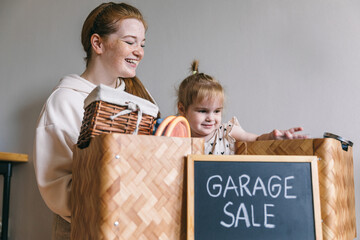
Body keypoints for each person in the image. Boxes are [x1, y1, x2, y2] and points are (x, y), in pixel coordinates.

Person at [33, 2, 155, 239]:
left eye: (142, 44)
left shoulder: (140, 98)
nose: (139, 51)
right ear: (98, 43)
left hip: (134, 226)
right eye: (130, 42)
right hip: (83, 227)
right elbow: (56, 187)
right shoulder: (65, 101)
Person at [177, 60, 308, 155]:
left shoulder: (226, 131)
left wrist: (272, 137)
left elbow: (255, 139)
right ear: (182, 109)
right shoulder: (178, 136)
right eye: (203, 111)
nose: (211, 118)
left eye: (217, 111)